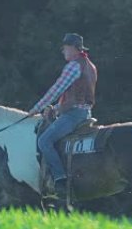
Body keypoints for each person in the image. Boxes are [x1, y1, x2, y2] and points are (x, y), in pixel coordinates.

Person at [28, 33, 98, 197]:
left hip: (74, 115)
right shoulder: (90, 65)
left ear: (73, 49)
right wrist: (57, 108)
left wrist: (36, 109)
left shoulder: (73, 66)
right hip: (84, 112)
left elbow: (56, 89)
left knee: (44, 140)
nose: (63, 52)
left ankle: (60, 179)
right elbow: (78, 97)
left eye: (65, 48)